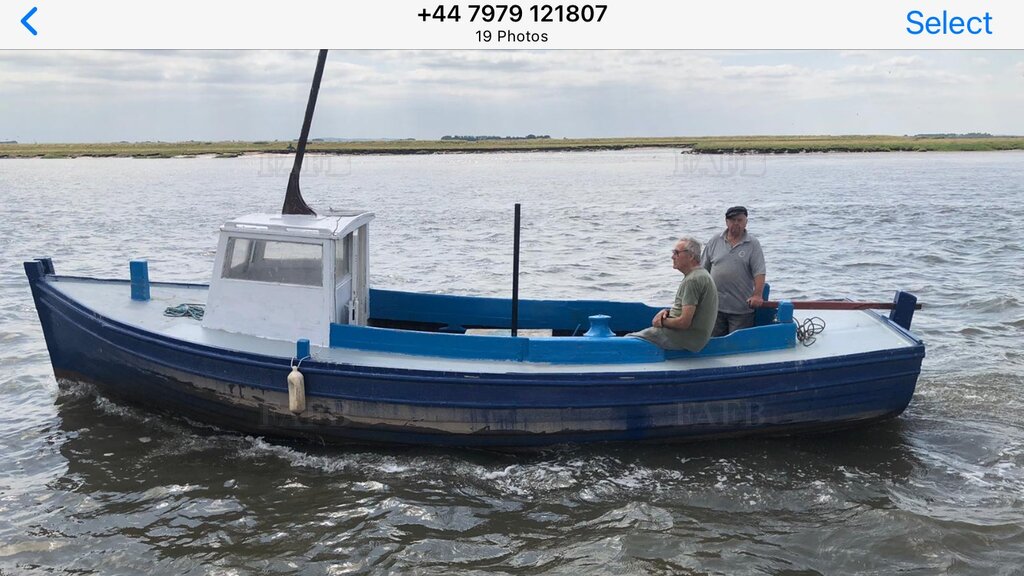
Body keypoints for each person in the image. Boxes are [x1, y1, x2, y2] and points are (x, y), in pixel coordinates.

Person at [628, 237, 718, 352]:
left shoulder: (693, 280)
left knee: (629, 340)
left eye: (676, 253)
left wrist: (660, 322)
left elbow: (684, 322)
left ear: (690, 256)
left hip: (684, 339)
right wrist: (668, 313)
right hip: (693, 338)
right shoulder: (701, 274)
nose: (672, 256)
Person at [702, 206, 766, 336]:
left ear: (746, 222)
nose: (736, 223)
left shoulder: (753, 244)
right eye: (732, 220)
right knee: (713, 345)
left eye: (739, 220)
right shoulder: (715, 241)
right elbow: (702, 271)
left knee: (737, 349)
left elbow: (759, 272)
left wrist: (757, 295)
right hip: (715, 308)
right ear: (726, 221)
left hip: (741, 310)